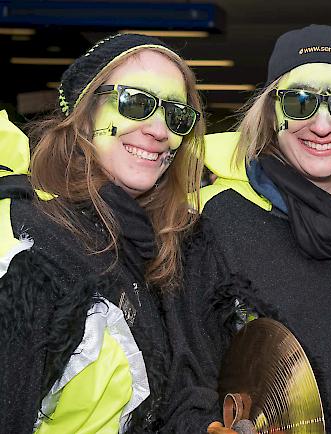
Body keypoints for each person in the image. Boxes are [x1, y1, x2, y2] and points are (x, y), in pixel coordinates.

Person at [180, 24, 331, 434]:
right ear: (272, 114)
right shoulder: (217, 219)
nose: (323, 126)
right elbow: (188, 376)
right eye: (301, 101)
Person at [0, 33, 205, 433]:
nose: (160, 131)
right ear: (85, 112)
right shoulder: (33, 245)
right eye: (135, 103)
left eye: (177, 115)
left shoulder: (144, 246)